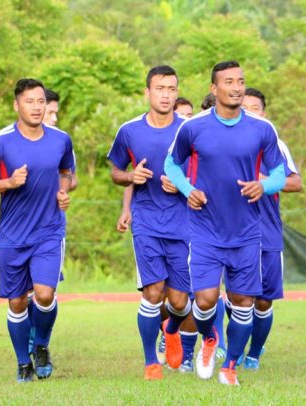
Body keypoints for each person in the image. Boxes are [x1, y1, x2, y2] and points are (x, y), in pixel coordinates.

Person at [165, 60, 287, 386]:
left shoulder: (262, 129)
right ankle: (209, 340)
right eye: (229, 81)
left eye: (241, 81)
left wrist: (265, 186)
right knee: (204, 300)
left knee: (243, 302)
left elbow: (280, 173)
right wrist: (188, 190)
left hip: (248, 231)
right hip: (205, 229)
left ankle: (230, 366)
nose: (236, 87)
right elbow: (171, 164)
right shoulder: (193, 128)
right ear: (214, 88)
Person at [0, 78, 76, 382]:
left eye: (41, 101)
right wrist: (8, 183)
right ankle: (22, 363)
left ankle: (41, 346)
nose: (36, 107)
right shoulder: (0, 142)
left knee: (44, 294)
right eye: (29, 102)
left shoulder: (60, 139)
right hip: (13, 235)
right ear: (16, 105)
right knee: (17, 302)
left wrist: (63, 190)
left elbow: (67, 171)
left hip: (49, 231)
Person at [107, 65, 198, 380]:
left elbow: (207, 173)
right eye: (160, 88)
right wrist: (132, 176)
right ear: (147, 92)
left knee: (179, 300)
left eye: (172, 89)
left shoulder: (191, 129)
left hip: (185, 224)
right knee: (153, 292)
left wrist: (183, 183)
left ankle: (171, 330)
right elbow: (116, 172)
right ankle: (150, 362)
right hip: (146, 222)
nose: (167, 95)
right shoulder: (129, 131)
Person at [236, 87, 303, 370]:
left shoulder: (274, 144)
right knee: (237, 297)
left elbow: (296, 183)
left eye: (256, 108)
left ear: (264, 114)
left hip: (266, 232)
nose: (250, 112)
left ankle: (255, 352)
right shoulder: (220, 142)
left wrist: (266, 181)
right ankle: (233, 349)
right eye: (245, 107)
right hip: (229, 233)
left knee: (262, 302)